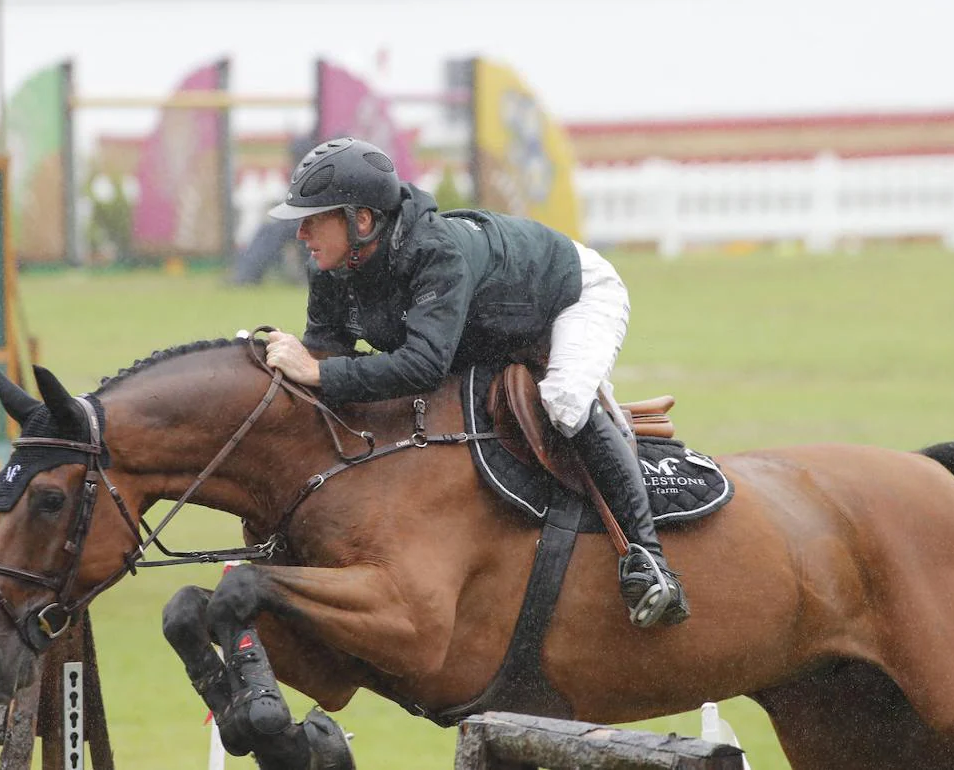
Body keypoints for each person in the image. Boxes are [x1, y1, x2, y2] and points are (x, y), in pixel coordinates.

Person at [264, 137, 688, 628]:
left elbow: (420, 366)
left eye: (314, 219)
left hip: (572, 296)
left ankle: (649, 560)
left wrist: (317, 370)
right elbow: (327, 354)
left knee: (565, 402)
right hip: (492, 330)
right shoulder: (333, 270)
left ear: (361, 221)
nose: (300, 234)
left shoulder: (434, 253)